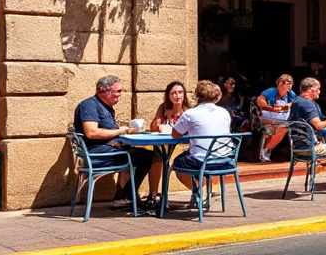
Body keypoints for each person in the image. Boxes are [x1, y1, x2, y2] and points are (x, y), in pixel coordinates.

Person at [74, 75, 155, 210]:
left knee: (143, 153)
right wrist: (119, 132)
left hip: (105, 150)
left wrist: (128, 133)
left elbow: (107, 133)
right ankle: (126, 196)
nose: (120, 94)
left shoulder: (106, 107)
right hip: (96, 155)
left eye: (121, 91)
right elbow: (91, 132)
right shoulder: (89, 105)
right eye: (117, 91)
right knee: (145, 156)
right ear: (102, 91)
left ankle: (124, 196)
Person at [170, 80, 236, 195]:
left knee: (178, 164)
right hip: (225, 160)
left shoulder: (191, 113)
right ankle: (207, 191)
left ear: (197, 96)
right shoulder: (224, 112)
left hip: (202, 161)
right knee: (192, 157)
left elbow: (175, 135)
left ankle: (199, 194)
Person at [146, 81, 191, 202]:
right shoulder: (164, 108)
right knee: (156, 157)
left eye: (180, 92)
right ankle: (153, 195)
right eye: (174, 93)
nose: (177, 95)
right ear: (169, 96)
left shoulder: (188, 110)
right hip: (165, 142)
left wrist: (165, 127)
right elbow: (155, 127)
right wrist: (158, 121)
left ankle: (199, 191)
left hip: (184, 144)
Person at [256, 74, 295, 163]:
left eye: (291, 84)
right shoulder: (271, 91)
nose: (289, 86)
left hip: (282, 119)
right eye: (287, 84)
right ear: (280, 84)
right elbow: (260, 101)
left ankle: (267, 149)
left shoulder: (290, 94)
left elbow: (295, 102)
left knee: (284, 127)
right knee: (279, 127)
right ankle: (265, 151)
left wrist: (288, 106)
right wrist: (272, 109)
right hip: (268, 117)